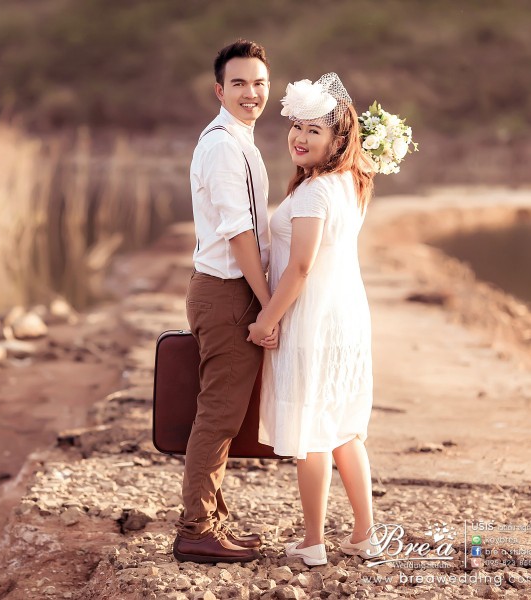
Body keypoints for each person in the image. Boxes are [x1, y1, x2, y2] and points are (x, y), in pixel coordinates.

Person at [246, 73, 379, 566]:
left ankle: (313, 541)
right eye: (296, 126)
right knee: (343, 428)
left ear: (337, 140)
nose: (299, 138)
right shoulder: (351, 181)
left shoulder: (315, 193)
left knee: (313, 433)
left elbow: (300, 266)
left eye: (314, 131)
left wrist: (266, 320)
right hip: (344, 319)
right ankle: (364, 534)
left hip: (313, 322)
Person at [173, 39, 278, 564]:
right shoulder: (221, 145)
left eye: (259, 83)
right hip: (227, 293)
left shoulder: (239, 139)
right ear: (219, 89)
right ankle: (195, 529)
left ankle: (211, 519)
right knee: (217, 416)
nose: (251, 93)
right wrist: (268, 302)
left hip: (229, 291)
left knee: (225, 413)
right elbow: (238, 233)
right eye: (238, 83)